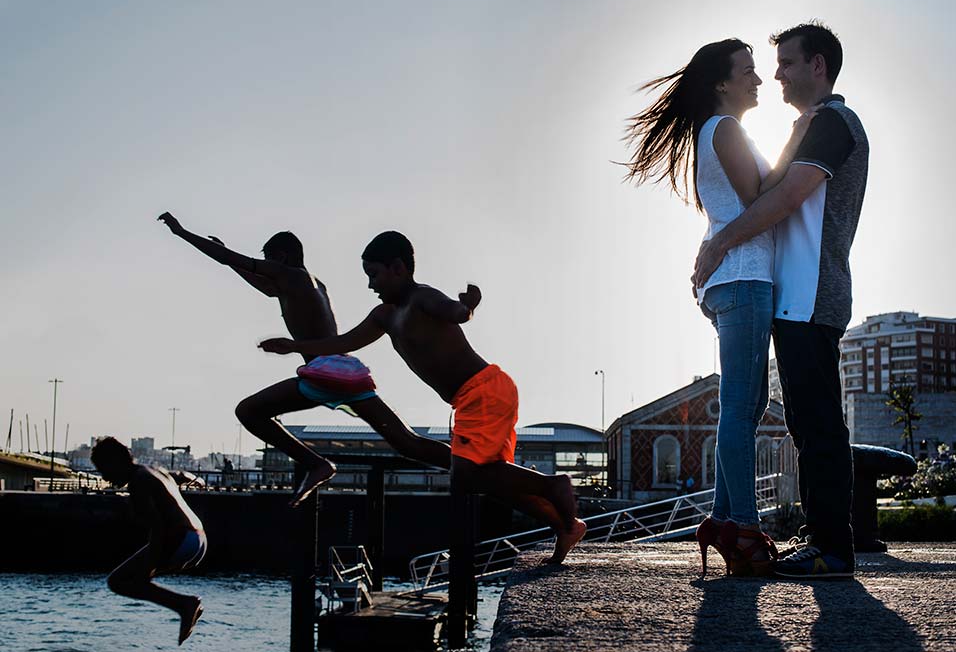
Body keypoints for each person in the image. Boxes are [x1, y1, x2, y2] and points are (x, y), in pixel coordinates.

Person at [258, 231, 588, 564]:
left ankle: (553, 485)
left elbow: (455, 312)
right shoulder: (384, 315)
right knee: (495, 480)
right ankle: (565, 525)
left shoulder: (422, 297)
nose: (371, 285)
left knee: (467, 476)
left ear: (398, 268)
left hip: (484, 389)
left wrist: (468, 306)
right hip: (471, 397)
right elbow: (343, 344)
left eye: (374, 275)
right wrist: (294, 347)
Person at [623, 38, 815, 577]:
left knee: (748, 406)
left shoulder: (717, 131)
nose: (758, 81)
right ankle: (745, 528)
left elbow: (748, 198)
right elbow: (760, 198)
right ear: (722, 83)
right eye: (748, 72)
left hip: (735, 279)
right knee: (738, 407)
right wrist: (798, 140)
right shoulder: (725, 129)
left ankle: (721, 518)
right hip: (744, 278)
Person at [693, 22, 869, 579]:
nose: (776, 75)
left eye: (787, 63)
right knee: (803, 418)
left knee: (817, 422)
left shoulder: (833, 124)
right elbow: (771, 189)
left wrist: (719, 242)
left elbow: (786, 197)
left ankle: (832, 546)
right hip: (791, 294)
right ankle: (818, 539)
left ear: (817, 66)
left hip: (811, 292)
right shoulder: (809, 127)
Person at [158, 213, 451, 507]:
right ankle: (470, 464)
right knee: (406, 443)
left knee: (248, 412)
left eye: (271, 263)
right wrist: (235, 262)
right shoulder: (307, 284)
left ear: (282, 258)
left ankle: (317, 464)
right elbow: (262, 283)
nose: (268, 271)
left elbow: (227, 259)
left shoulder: (292, 276)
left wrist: (181, 232)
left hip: (325, 372)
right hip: (346, 372)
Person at [91, 437, 206, 646]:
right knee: (132, 580)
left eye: (104, 469)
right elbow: (182, 475)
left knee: (118, 582)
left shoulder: (138, 483)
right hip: (198, 540)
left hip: (180, 538)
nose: (105, 477)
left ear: (117, 462)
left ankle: (185, 604)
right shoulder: (154, 470)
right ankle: (184, 604)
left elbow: (158, 528)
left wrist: (148, 570)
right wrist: (197, 480)